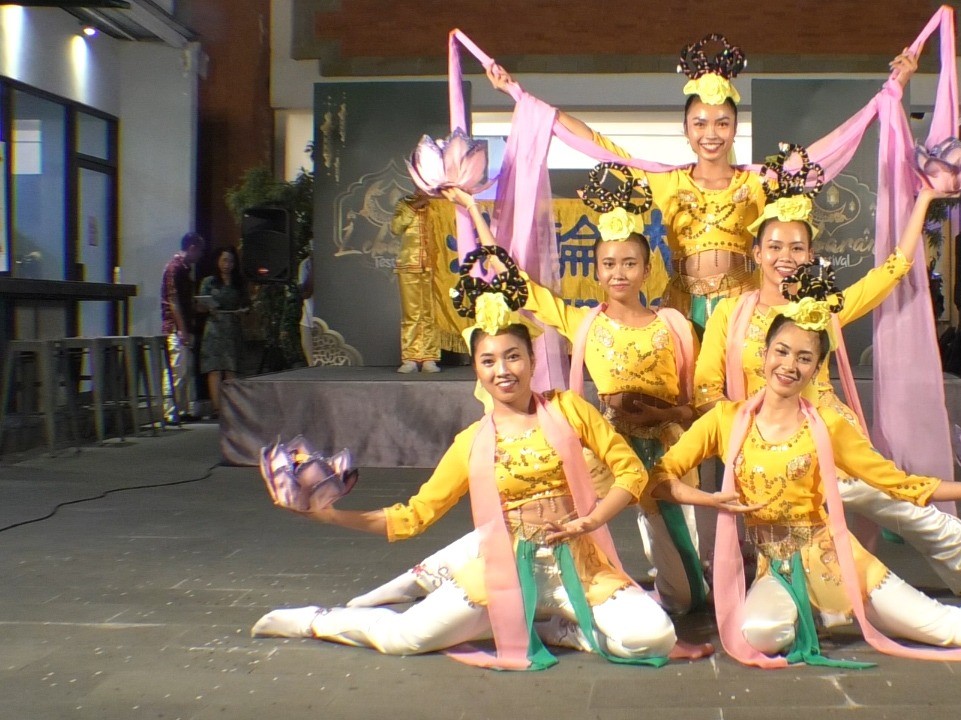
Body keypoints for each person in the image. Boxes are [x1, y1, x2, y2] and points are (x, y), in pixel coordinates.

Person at [697, 157, 961, 600]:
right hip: (765, 453)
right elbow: (707, 387)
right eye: (773, 247)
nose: (783, 258)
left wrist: (924, 198)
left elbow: (893, 269)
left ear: (810, 256)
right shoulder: (729, 314)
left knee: (916, 511)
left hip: (831, 443)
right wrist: (747, 432)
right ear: (756, 253)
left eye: (795, 249)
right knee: (798, 553)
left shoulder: (821, 309)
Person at [650, 307, 961, 667]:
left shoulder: (826, 427)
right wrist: (707, 498)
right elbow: (662, 476)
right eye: (781, 351)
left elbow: (899, 484)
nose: (789, 365)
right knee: (756, 636)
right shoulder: (725, 419)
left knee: (943, 630)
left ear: (816, 368)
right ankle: (813, 613)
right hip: (775, 570)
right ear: (763, 354)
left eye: (804, 358)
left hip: (835, 560)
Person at [252, 261, 676, 668]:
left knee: (654, 637)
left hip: (579, 566)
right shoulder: (471, 443)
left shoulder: (570, 410)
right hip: (505, 568)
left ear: (531, 360)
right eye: (489, 361)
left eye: (513, 357)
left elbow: (632, 472)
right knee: (404, 639)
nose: (503, 370)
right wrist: (329, 518)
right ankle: (318, 620)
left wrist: (591, 521)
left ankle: (557, 629)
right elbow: (413, 517)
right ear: (477, 370)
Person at [484, 38, 919, 330]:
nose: (711, 132)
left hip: (745, 303)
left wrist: (887, 95)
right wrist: (524, 99)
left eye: (722, 122)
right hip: (680, 306)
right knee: (686, 407)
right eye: (700, 123)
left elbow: (826, 148)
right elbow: (599, 146)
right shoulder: (666, 181)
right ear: (687, 130)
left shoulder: (760, 181)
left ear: (734, 128)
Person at [438, 174, 706, 615]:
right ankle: (459, 575)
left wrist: (668, 411)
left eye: (629, 263)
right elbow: (513, 280)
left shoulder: (674, 324)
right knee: (552, 523)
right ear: (596, 270)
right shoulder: (582, 322)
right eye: (609, 264)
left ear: (647, 268)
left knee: (685, 592)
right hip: (606, 449)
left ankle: (669, 591)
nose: (618, 273)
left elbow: (697, 404)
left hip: (666, 451)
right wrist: (472, 209)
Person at [389, 194, 446, 373]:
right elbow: (396, 227)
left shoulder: (439, 203)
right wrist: (415, 206)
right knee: (411, 315)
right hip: (408, 266)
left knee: (431, 315)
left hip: (434, 267)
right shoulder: (404, 202)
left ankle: (429, 358)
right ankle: (410, 358)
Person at [197, 248, 249, 418]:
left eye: (231, 261)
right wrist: (207, 307)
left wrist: (243, 311)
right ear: (218, 261)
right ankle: (217, 408)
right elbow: (199, 306)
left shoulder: (238, 283)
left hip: (232, 327)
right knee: (214, 368)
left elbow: (247, 305)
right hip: (214, 328)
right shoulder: (209, 282)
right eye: (224, 260)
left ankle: (231, 406)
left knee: (231, 367)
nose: (227, 265)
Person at [160, 231, 204, 424]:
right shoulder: (175, 268)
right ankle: (170, 411)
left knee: (184, 369)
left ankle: (182, 408)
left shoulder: (184, 269)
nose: (200, 256)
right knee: (176, 369)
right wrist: (182, 328)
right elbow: (173, 300)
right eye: (199, 251)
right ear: (192, 248)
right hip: (175, 327)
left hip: (184, 324)